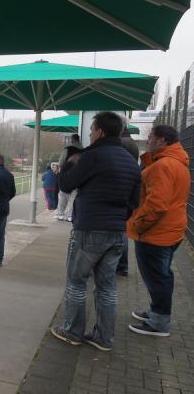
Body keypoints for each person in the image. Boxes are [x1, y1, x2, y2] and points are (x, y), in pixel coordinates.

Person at [51, 112, 141, 352]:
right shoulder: (132, 162)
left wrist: (66, 165)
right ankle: (104, 337)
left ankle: (72, 331)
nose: (89, 134)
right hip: (116, 232)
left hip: (89, 230)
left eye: (91, 130)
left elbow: (67, 185)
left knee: (76, 282)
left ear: (100, 131)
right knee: (107, 286)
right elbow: (135, 201)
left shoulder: (91, 156)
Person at [127, 125, 189, 337]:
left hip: (156, 233)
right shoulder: (177, 163)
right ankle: (156, 312)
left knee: (157, 278)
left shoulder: (163, 166)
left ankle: (159, 322)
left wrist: (136, 226)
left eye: (151, 137)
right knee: (162, 276)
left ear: (162, 141)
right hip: (171, 229)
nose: (148, 140)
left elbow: (157, 205)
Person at [116, 116, 140, 276]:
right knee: (123, 231)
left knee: (119, 231)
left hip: (119, 189)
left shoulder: (120, 144)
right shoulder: (132, 144)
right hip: (130, 190)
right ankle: (123, 265)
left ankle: (120, 265)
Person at [55, 134, 83, 221]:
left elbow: (61, 162)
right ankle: (69, 215)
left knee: (63, 194)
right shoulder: (84, 150)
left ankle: (60, 214)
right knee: (73, 196)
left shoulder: (68, 149)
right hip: (78, 174)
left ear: (72, 140)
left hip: (66, 174)